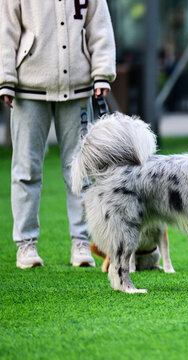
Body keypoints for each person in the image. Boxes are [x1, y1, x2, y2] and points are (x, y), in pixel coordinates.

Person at [0, 0, 117, 269]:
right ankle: (26, 245)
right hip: (29, 88)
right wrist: (5, 79)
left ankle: (81, 242)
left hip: (77, 88)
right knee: (25, 170)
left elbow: (99, 27)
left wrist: (102, 74)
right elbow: (5, 32)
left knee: (81, 171)